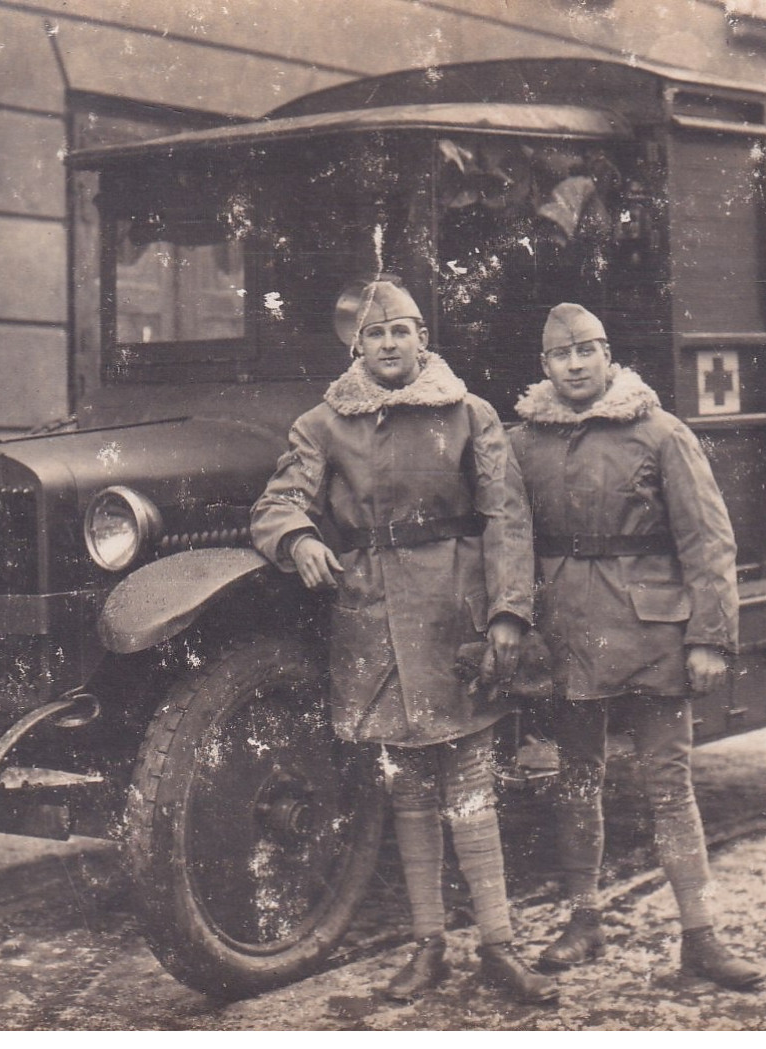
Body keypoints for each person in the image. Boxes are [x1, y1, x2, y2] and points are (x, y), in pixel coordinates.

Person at [251, 278, 557, 1005]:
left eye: (402, 332)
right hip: (372, 619)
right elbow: (276, 502)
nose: (389, 345)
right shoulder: (323, 423)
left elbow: (506, 518)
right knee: (410, 794)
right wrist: (295, 540)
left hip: (456, 617)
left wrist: (508, 613)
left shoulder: (469, 414)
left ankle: (498, 945)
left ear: (424, 339)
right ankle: (427, 948)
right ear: (357, 346)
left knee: (471, 786)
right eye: (375, 335)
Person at [507, 303, 765, 990]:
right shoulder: (521, 443)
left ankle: (701, 936)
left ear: (608, 354)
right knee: (577, 779)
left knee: (668, 784)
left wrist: (709, 636)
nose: (576, 363)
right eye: (562, 355)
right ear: (544, 367)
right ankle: (582, 917)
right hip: (568, 633)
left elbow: (707, 541)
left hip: (653, 628)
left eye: (588, 350)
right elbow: (506, 540)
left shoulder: (659, 433)